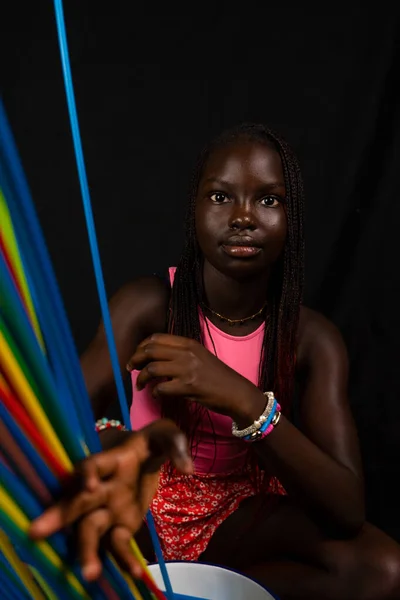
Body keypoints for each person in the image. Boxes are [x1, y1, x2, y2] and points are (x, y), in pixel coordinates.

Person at [30, 124, 400, 599]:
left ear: (293, 218)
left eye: (268, 200)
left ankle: (180, 591)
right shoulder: (148, 305)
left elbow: (346, 511)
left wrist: (244, 401)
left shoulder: (313, 339)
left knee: (383, 569)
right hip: (144, 502)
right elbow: (54, 417)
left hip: (239, 509)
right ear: (195, 209)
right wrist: (118, 441)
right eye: (221, 197)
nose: (243, 217)